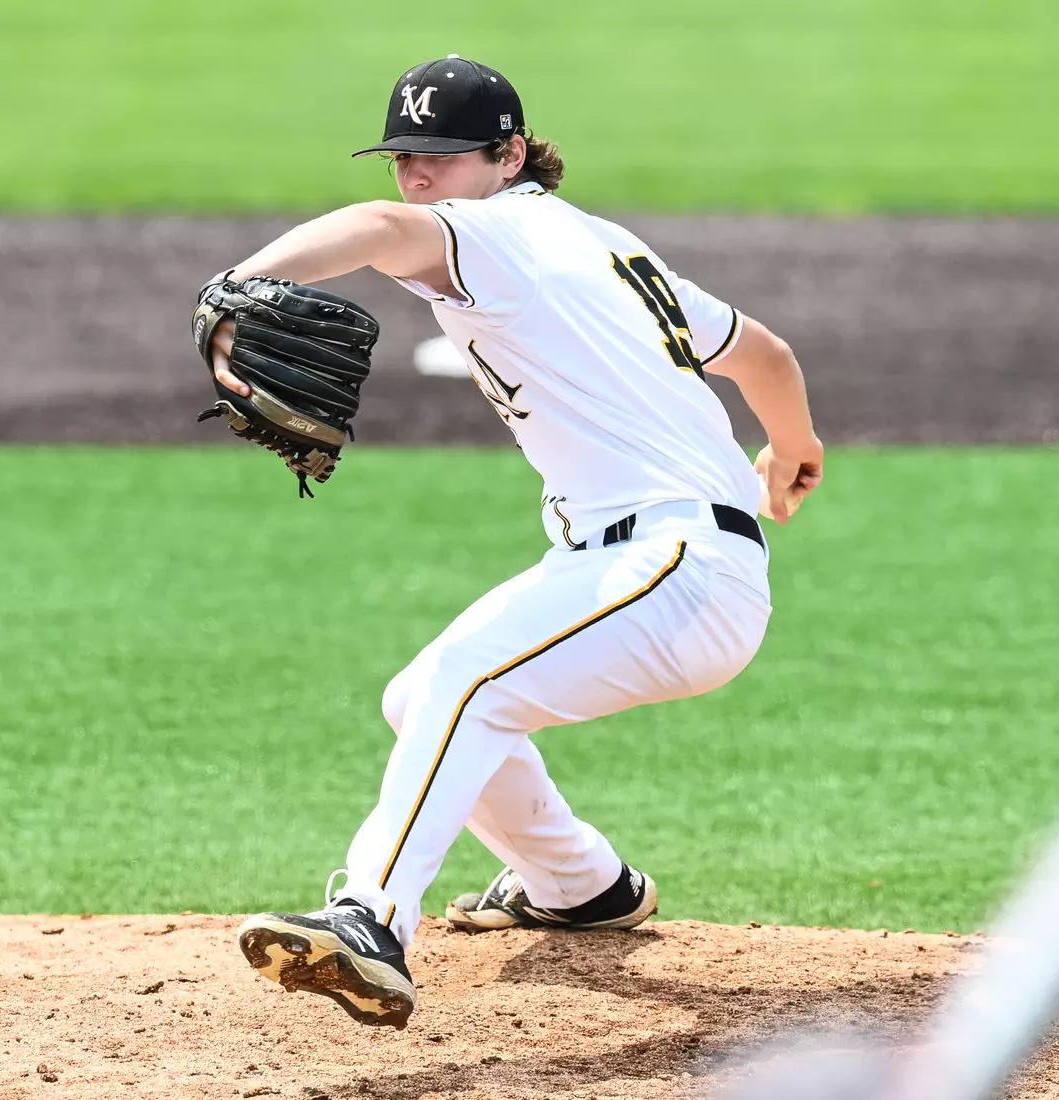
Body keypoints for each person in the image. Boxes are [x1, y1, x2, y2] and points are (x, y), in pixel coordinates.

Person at [224, 55, 823, 1029]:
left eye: (443, 158)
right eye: (404, 156)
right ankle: (579, 881)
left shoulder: (496, 233)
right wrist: (794, 446)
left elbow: (380, 232)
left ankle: (371, 916)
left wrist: (239, 282)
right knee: (422, 695)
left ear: (507, 156)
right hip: (657, 562)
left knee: (467, 680)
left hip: (675, 567)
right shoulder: (604, 244)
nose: (418, 176)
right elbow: (765, 354)